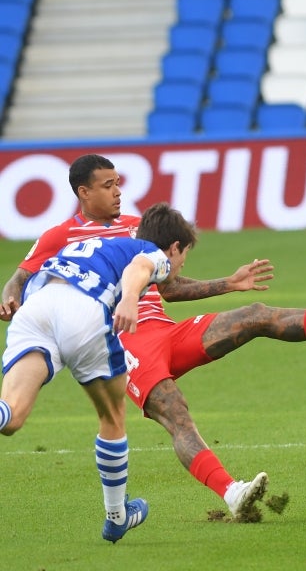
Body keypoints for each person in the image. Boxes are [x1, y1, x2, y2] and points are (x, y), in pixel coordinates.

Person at [1, 154, 306, 521]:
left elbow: (169, 286)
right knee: (176, 412)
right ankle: (231, 493)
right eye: (108, 185)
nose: (118, 191)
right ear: (83, 192)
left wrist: (229, 283)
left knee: (254, 315)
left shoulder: (137, 227)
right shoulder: (59, 236)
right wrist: (10, 299)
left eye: (118, 182)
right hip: (125, 342)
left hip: (165, 332)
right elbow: (19, 279)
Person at [1, 202, 197, 542]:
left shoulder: (98, 245)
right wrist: (130, 298)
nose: (180, 266)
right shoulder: (154, 252)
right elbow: (140, 267)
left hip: (37, 309)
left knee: (11, 417)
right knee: (112, 416)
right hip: (83, 309)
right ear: (175, 247)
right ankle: (117, 515)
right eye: (184, 257)